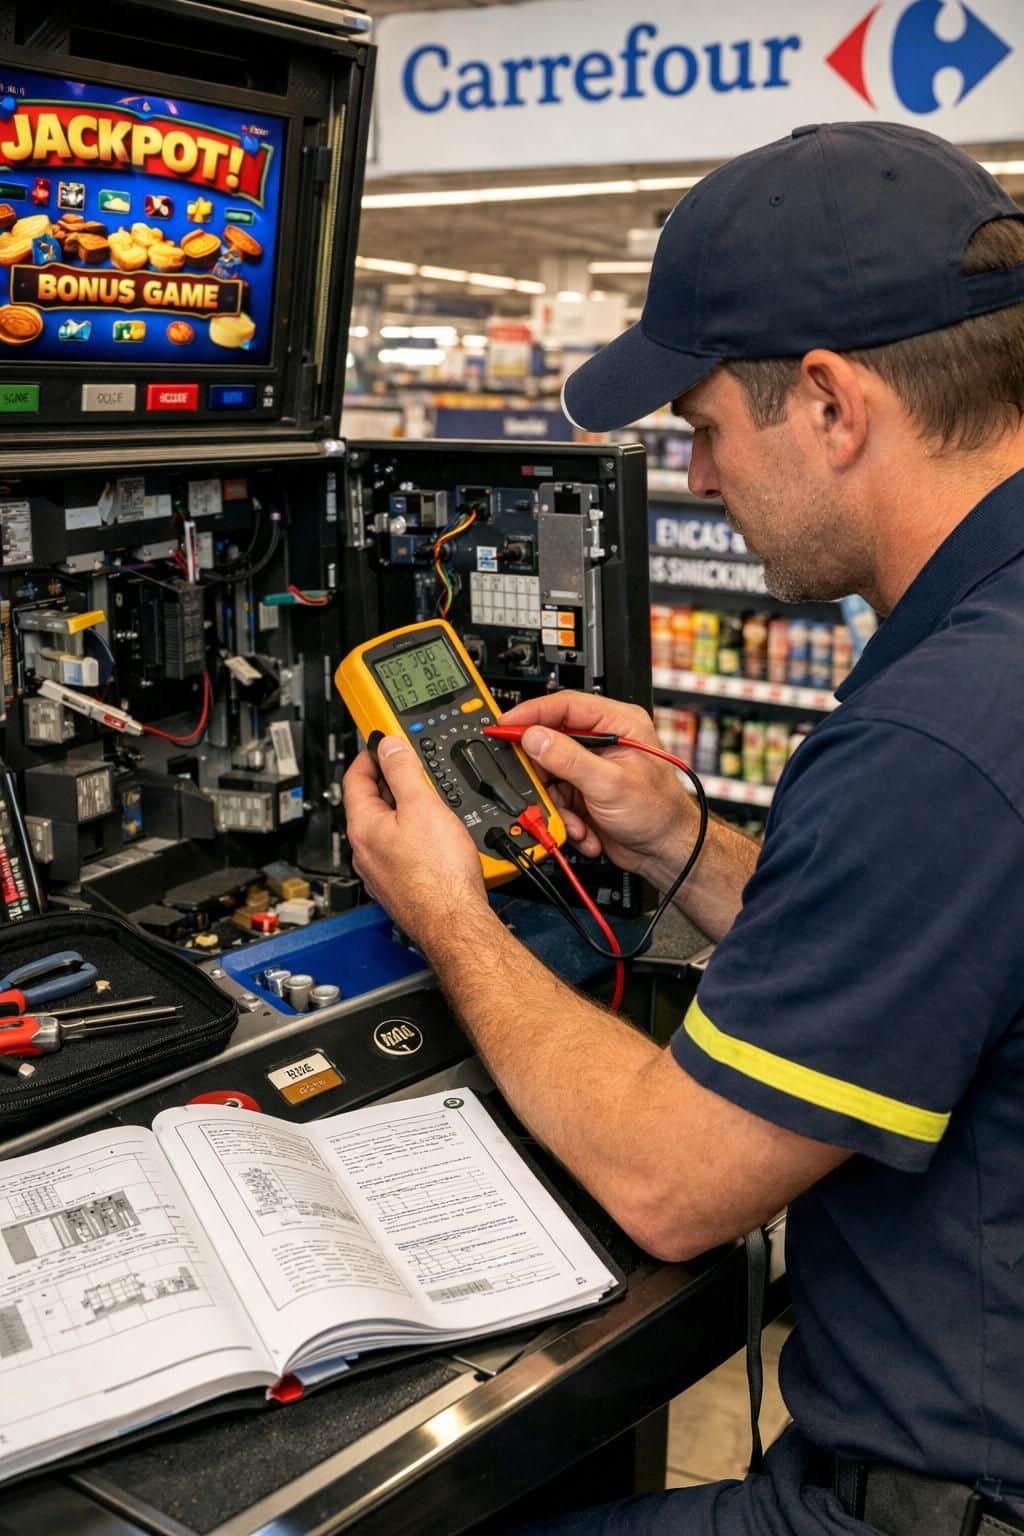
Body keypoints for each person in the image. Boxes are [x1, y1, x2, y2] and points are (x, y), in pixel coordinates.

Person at [343, 123, 1024, 1536]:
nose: (700, 482)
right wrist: (682, 848)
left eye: (706, 428)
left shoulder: (945, 728)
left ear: (831, 406)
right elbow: (927, 950)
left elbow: (669, 1184)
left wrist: (448, 914)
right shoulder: (984, 655)